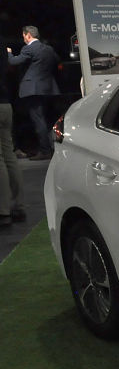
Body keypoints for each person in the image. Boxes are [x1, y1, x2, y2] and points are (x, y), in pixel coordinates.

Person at [7, 26, 60, 160]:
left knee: (38, 120)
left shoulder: (29, 48)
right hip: (47, 88)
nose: (23, 39)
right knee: (47, 119)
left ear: (28, 35)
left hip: (33, 89)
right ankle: (51, 147)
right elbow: (56, 62)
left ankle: (45, 151)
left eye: (24, 36)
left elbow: (13, 61)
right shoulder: (48, 49)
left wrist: (9, 53)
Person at [0, 38, 25, 228]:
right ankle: (18, 206)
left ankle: (3, 210)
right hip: (5, 104)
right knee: (9, 156)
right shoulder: (2, 43)